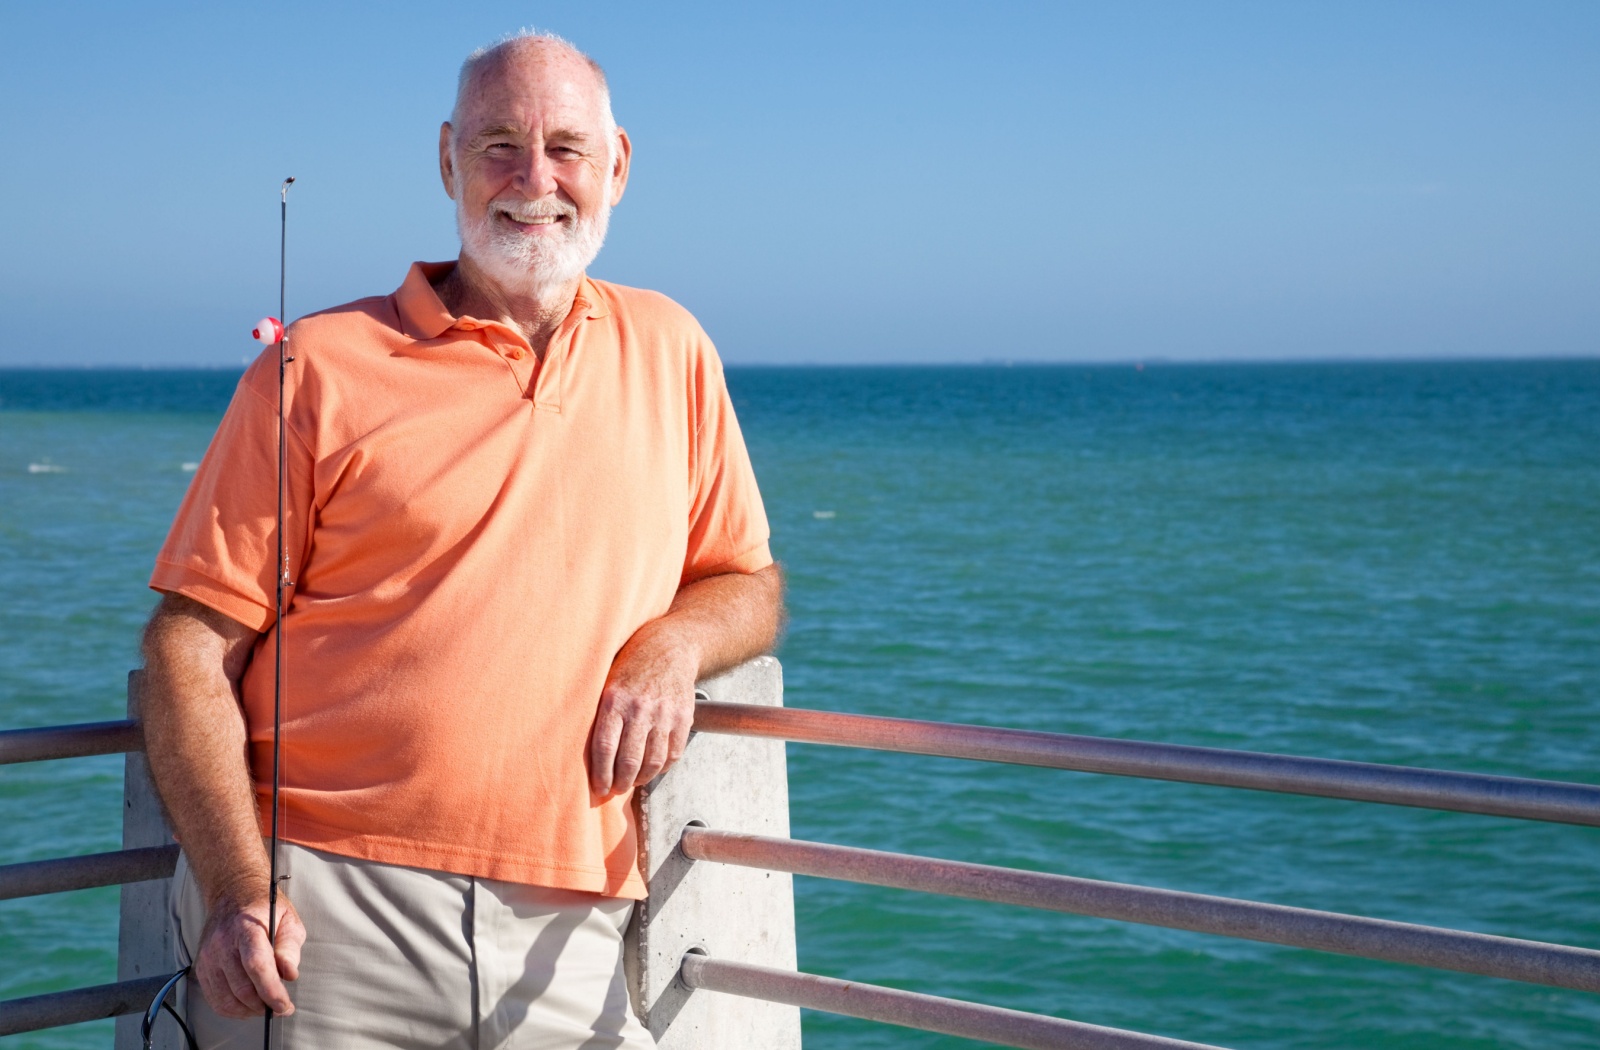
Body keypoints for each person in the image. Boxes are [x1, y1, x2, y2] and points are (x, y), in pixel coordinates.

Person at [140, 30, 781, 1049]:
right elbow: (185, 645)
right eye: (498, 146)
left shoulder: (674, 348)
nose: (536, 180)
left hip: (570, 924)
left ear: (619, 164)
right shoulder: (318, 366)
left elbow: (745, 580)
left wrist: (674, 647)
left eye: (567, 147)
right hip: (324, 911)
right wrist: (233, 889)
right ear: (447, 161)